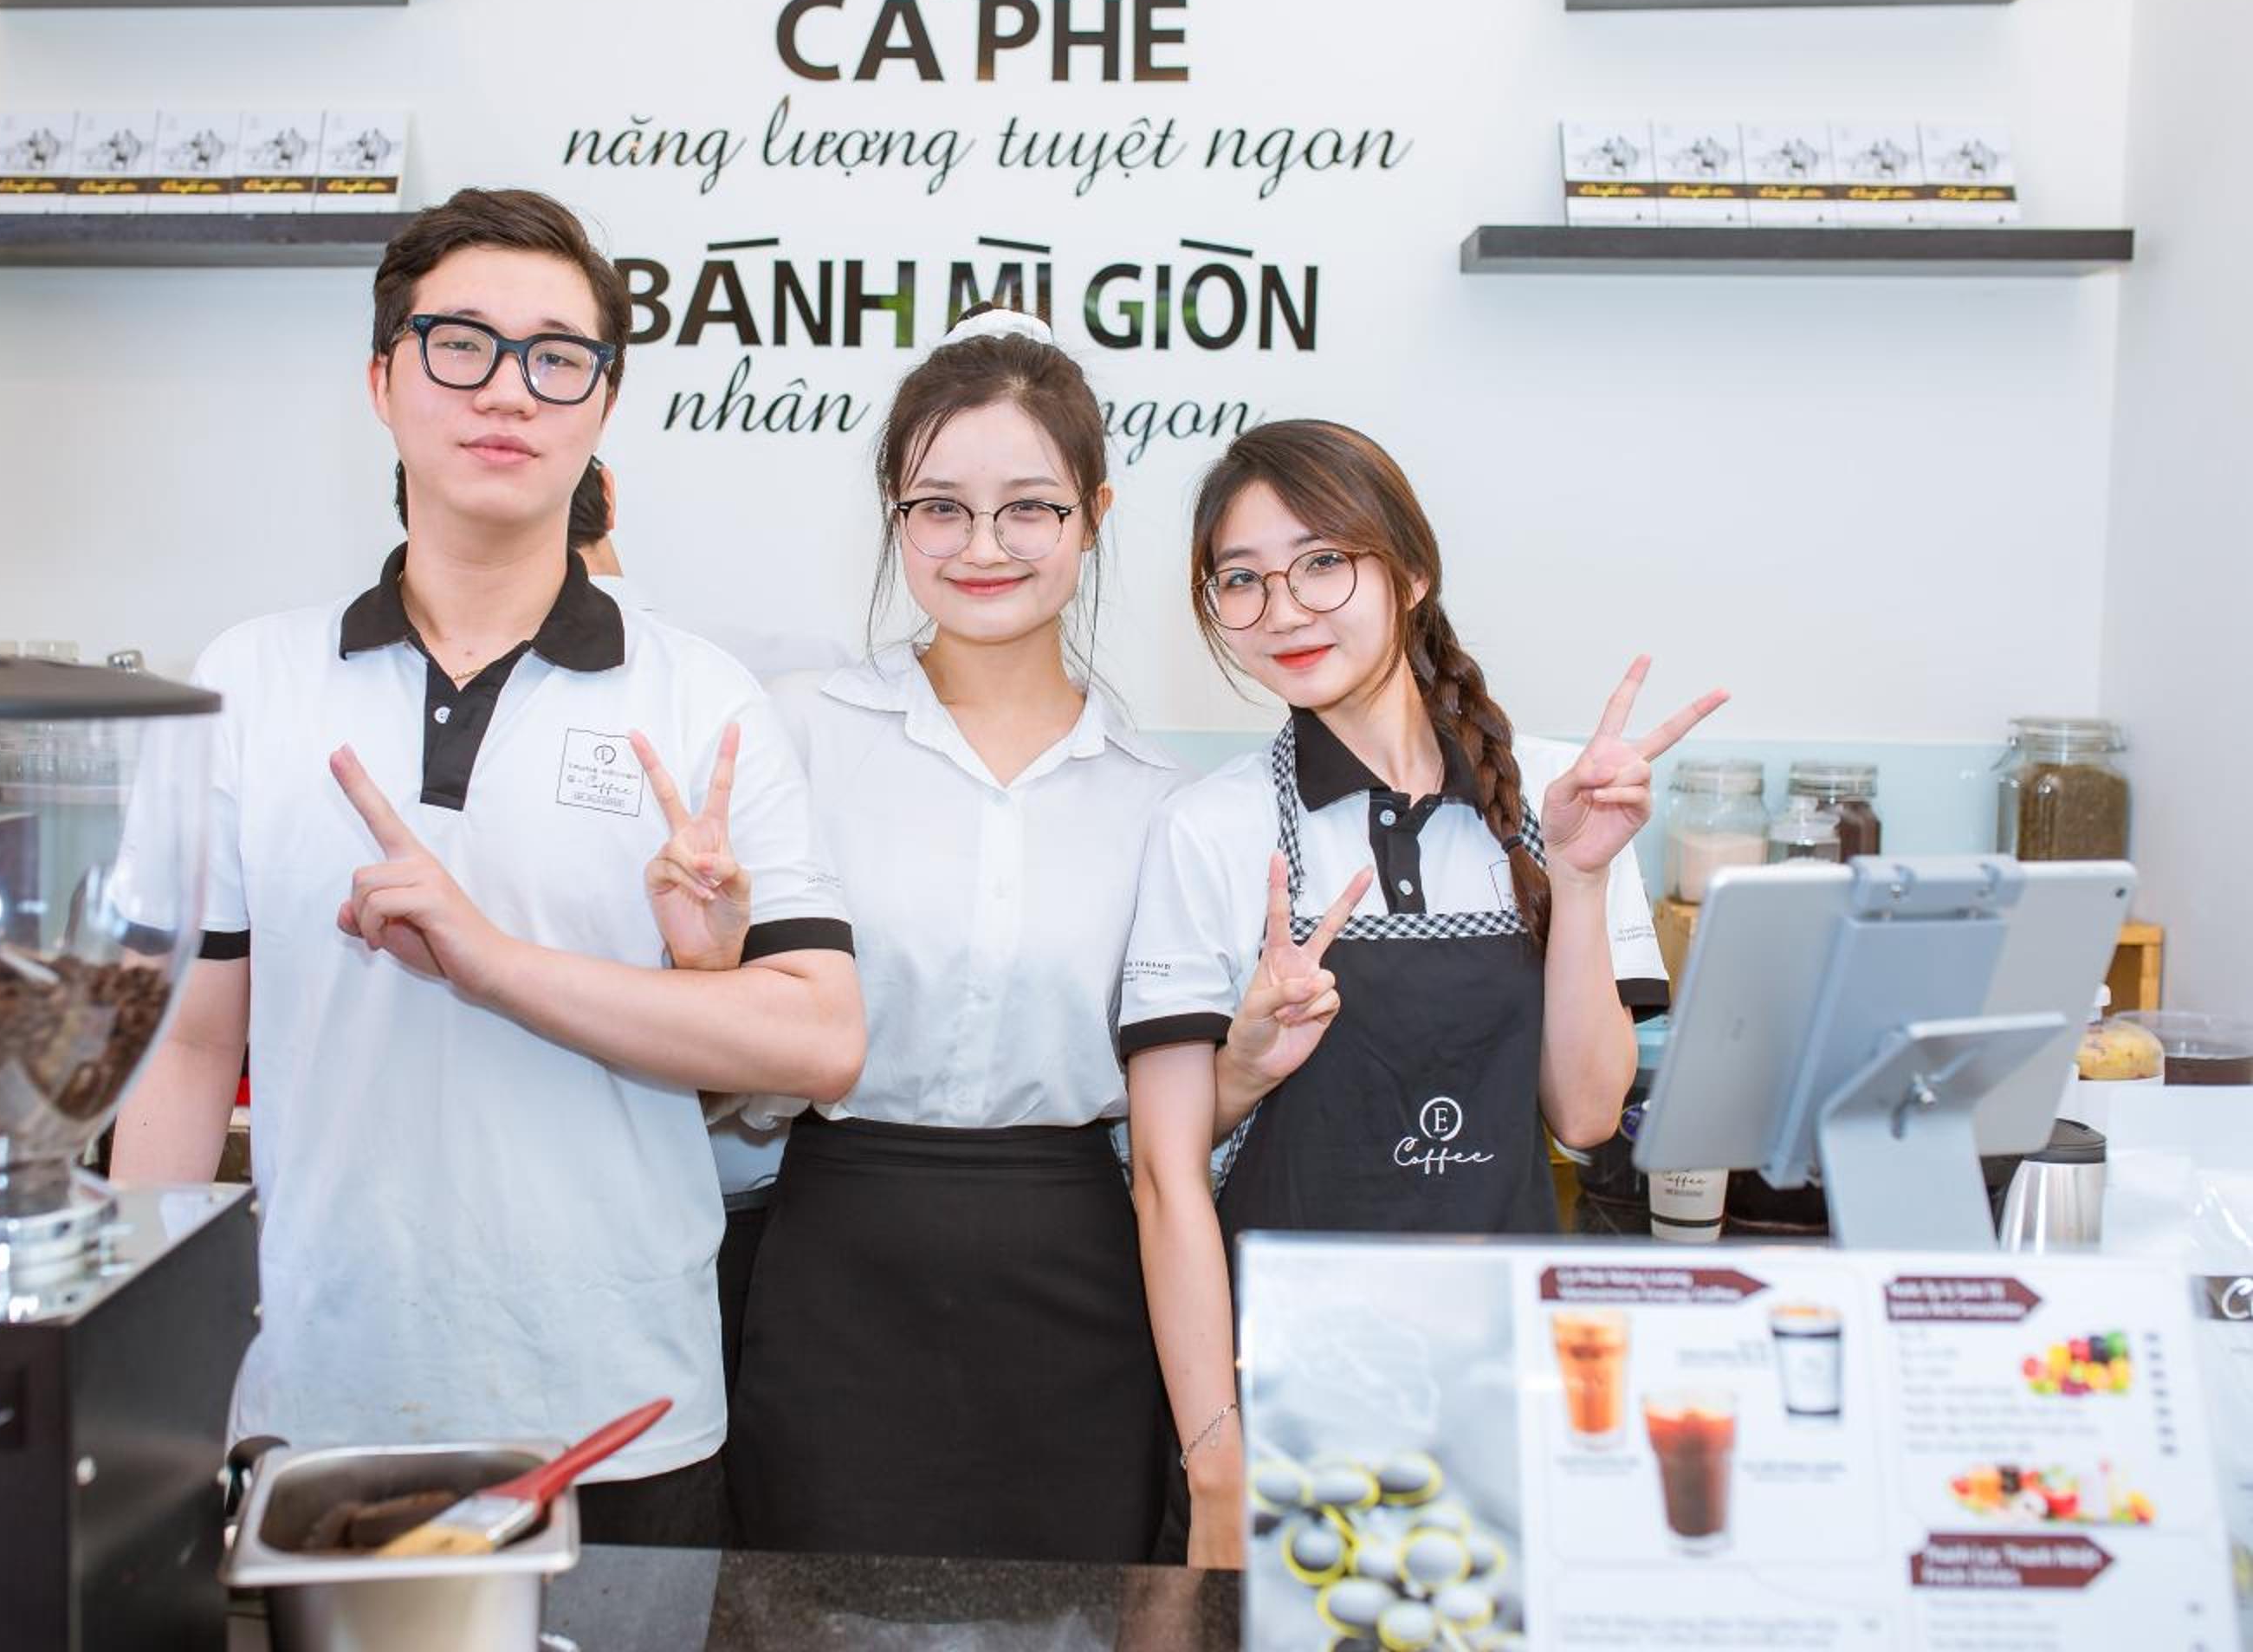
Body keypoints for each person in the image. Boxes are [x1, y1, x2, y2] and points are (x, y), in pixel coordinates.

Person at [110, 187, 864, 1549]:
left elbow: (818, 1039)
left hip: (622, 1413)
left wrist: (495, 960)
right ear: (382, 381)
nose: (507, 390)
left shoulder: (700, 700)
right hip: (317, 1406)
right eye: (459, 344)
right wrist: (136, 1370)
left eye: (556, 357)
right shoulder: (248, 682)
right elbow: (183, 1049)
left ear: (604, 403)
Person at [1117, 419, 1724, 1565]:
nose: (1284, 609)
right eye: (1241, 581)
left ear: (1411, 572)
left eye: (1322, 563)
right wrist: (1217, 1462)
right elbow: (1164, 1176)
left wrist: (1579, 879)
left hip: (1505, 1391)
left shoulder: (1561, 794)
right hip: (1282, 1398)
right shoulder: (1209, 829)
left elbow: (1587, 1113)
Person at [725, 308, 1182, 1561]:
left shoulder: (1159, 799)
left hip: (1081, 1283)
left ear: (1092, 515)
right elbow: (739, 1051)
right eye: (940, 508)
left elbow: (1173, 1122)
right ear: (895, 518)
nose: (983, 546)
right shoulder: (797, 731)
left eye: (1029, 508)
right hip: (835, 1265)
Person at [561, 453, 855, 1407]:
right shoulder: (769, 678)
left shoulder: (734, 687)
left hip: (706, 1203)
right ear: (611, 492)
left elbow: (808, 1040)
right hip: (734, 1197)